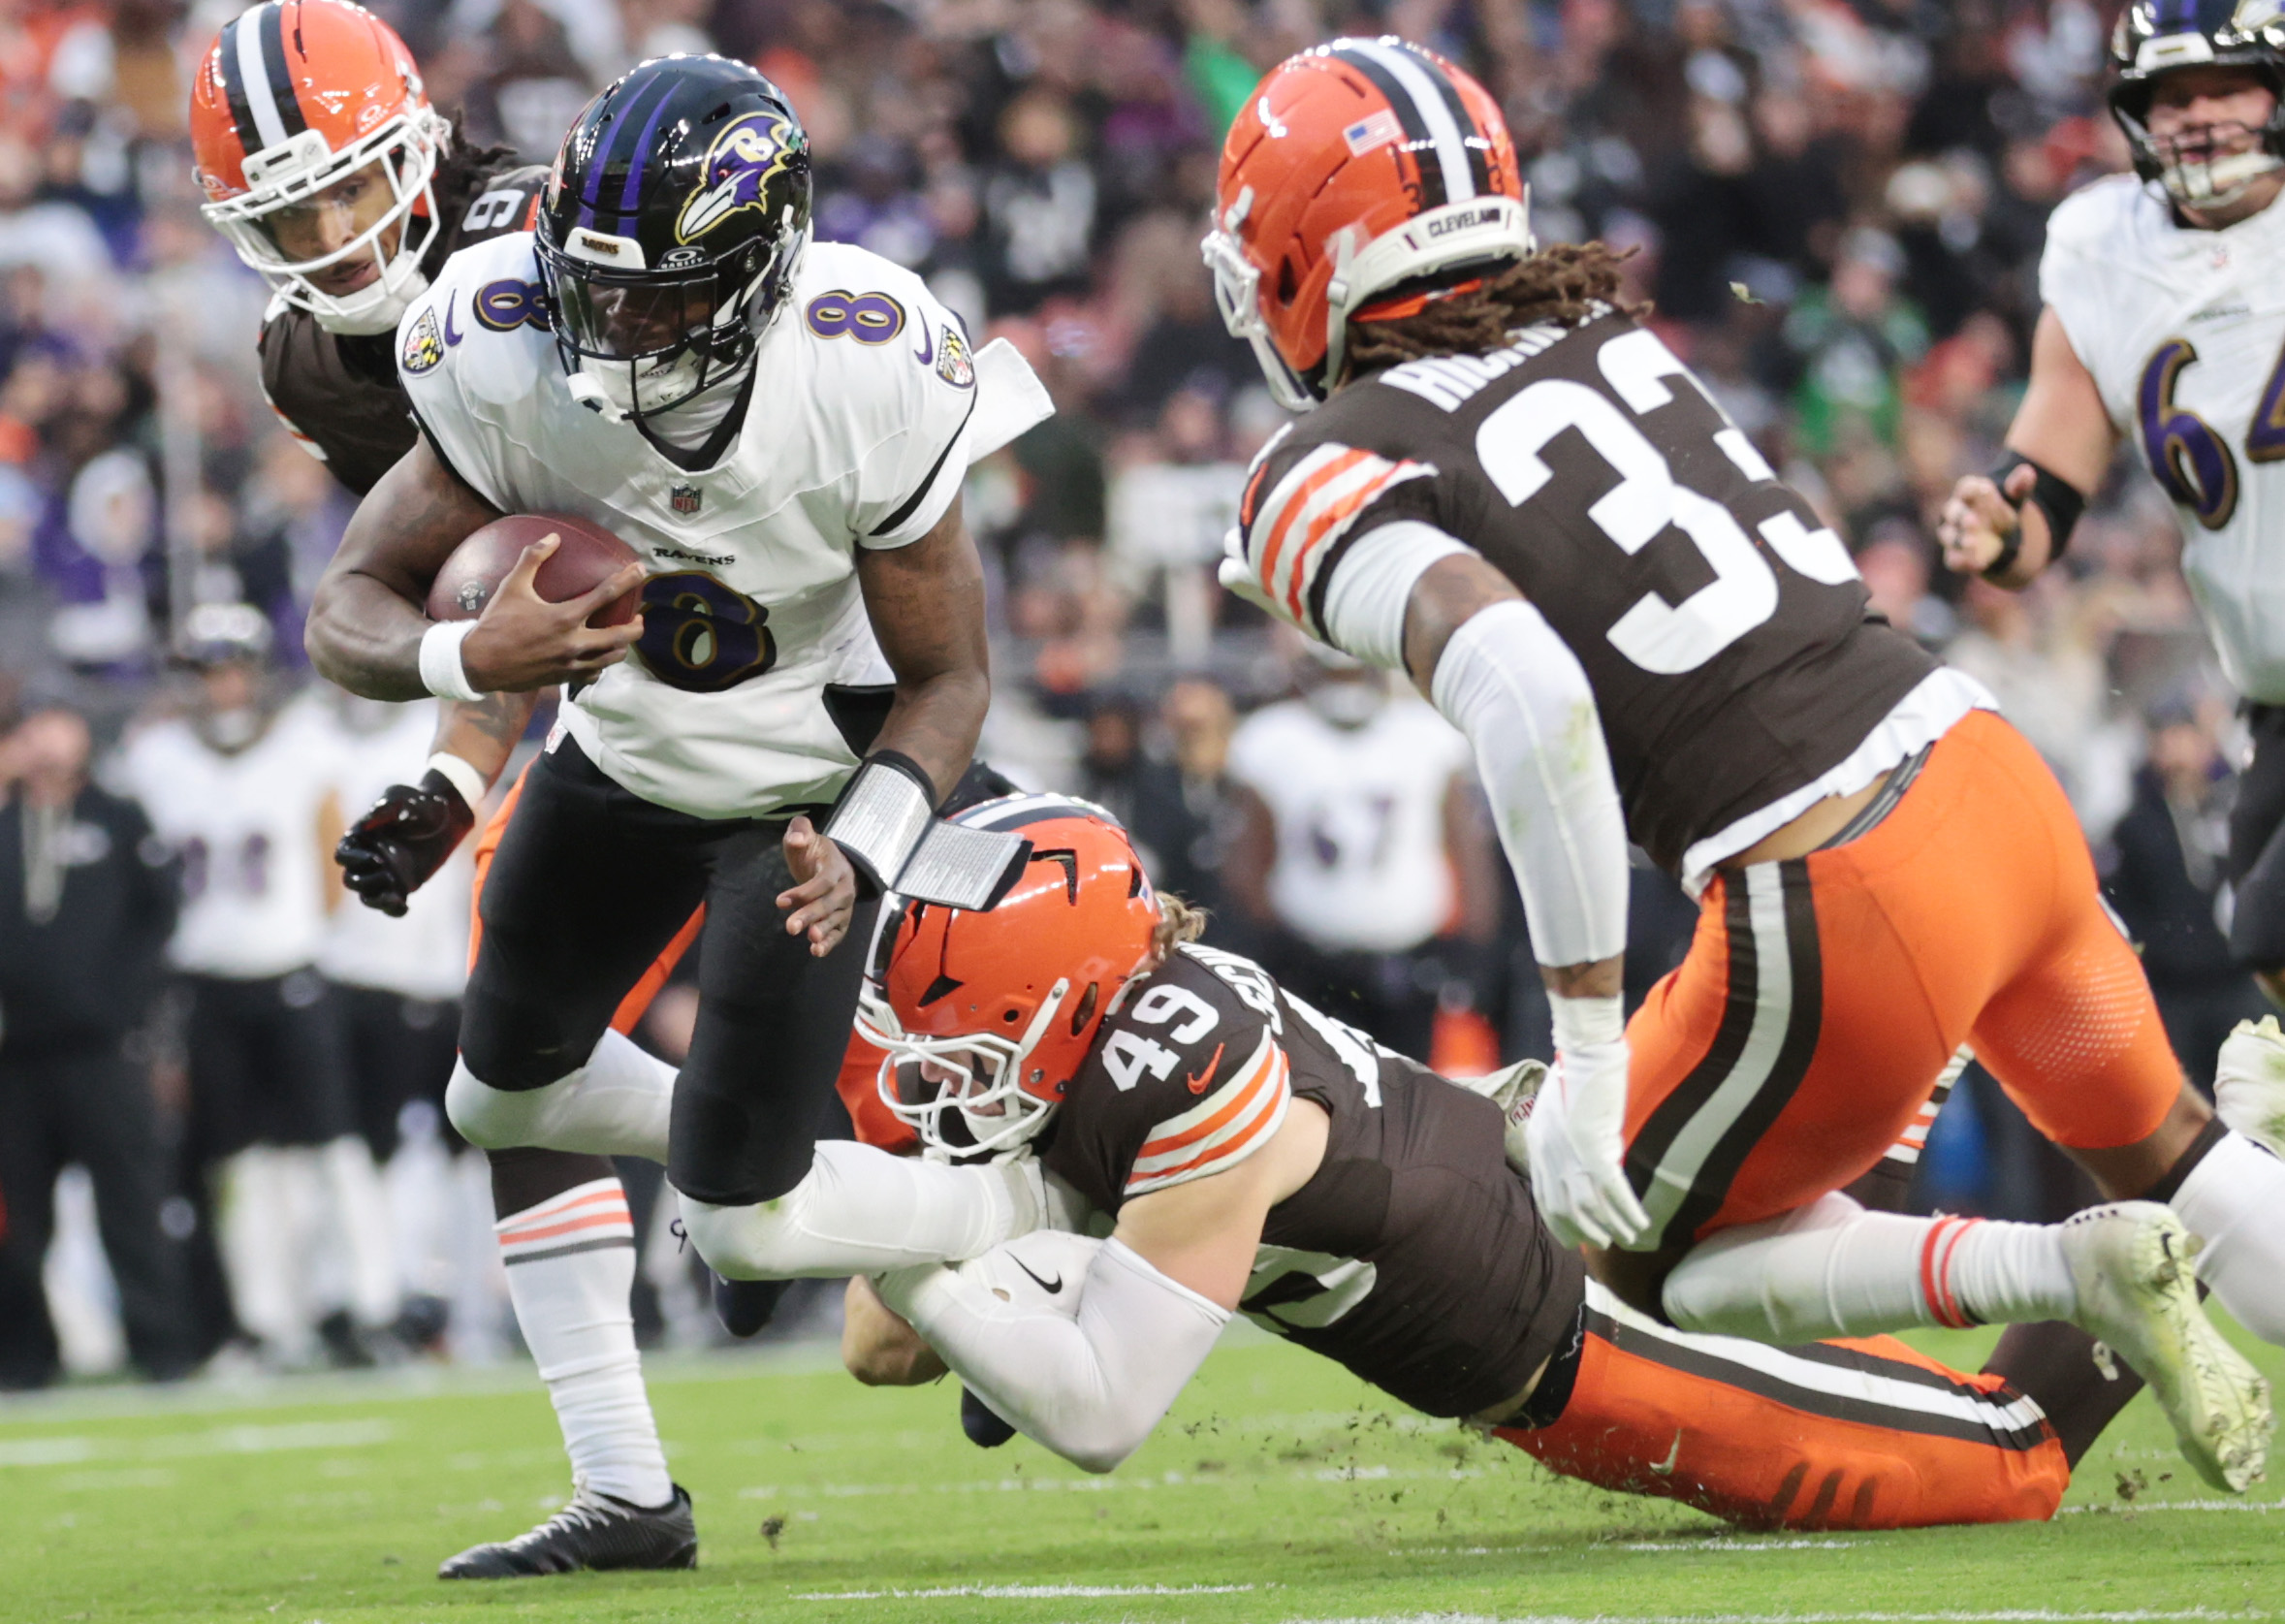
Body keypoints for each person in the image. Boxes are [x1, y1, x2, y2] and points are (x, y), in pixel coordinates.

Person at [1203, 37, 2280, 1491]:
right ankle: (2121, 1244)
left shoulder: (1317, 463)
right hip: (1979, 767)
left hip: (1834, 870)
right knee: (2192, 1162)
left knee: (1652, 1264)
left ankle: (2073, 1267)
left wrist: (1586, 1050)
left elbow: (1524, 683)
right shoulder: (1609, 334)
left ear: (1295, 252)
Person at [303, 50, 1056, 1568]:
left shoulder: (871, 358)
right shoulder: (498, 338)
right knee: (495, 1093)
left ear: (763, 274)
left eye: (662, 295)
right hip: (631, 754)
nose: (619, 324)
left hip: (804, 786)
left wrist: (861, 848)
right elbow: (350, 601)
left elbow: (953, 677)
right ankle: (629, 1492)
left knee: (746, 1221)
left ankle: (1009, 1208)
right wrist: (467, 674)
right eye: (597, 285)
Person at [844, 810, 2080, 1529]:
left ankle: (2184, 1200)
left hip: (1561, 1336)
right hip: (1527, 1170)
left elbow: (1079, 1399)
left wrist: (947, 1248)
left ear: (1063, 998)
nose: (943, 1067)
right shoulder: (1135, 1009)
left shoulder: (1165, 1077)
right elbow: (883, 1340)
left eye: (968, 1030)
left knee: (2006, 1455)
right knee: (1819, 1256)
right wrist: (970, 1226)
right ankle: (1945, 1050)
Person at [187, 2, 692, 1575]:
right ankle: (623, 1483)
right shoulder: (310, 360)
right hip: (616, 708)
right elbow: (494, 598)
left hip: (768, 650)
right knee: (515, 1069)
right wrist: (453, 782)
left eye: (347, 187)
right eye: (289, 213)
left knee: (878, 1093)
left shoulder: (562, 232)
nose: (332, 237)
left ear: (417, 140)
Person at [1937, 3, 2285, 1001]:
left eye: (2225, 86)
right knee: (2260, 938)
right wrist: (2002, 535)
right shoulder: (2104, 250)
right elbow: (2043, 487)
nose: (2196, 117)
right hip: (2268, 687)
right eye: (2168, 97)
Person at [114, 604, 397, 1368]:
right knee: (236, 1160)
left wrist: (306, 934)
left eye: (233, 668)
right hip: (203, 980)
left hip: (294, 970)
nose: (225, 686)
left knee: (335, 1147)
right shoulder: (157, 756)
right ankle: (265, 1317)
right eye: (209, 671)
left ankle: (371, 1304)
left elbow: (334, 859)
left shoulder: (305, 745)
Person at [0, 697, 197, 1387]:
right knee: (18, 1218)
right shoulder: (4, 823)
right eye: (34, 729)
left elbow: (161, 913)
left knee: (132, 1204)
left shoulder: (118, 817)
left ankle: (163, 1347)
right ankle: (24, 1357)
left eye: (59, 726)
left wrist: (122, 1003)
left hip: (104, 1049)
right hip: (16, 1056)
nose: (48, 744)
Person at [1222, 643, 1499, 1061]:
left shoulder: (1425, 735)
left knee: (1406, 1094)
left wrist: (1473, 946)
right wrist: (1271, 945)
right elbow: (1246, 864)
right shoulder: (1272, 740)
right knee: (1320, 1091)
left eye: (1354, 673)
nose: (1346, 688)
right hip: (1308, 960)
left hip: (1409, 959)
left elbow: (1467, 849)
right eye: (1334, 673)